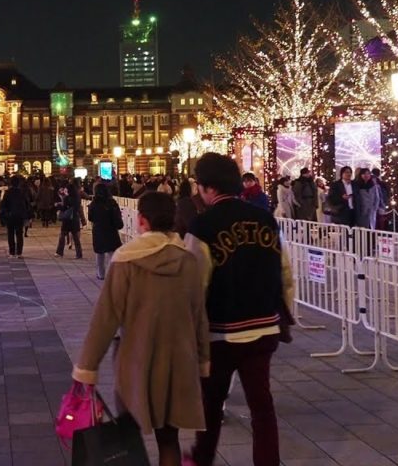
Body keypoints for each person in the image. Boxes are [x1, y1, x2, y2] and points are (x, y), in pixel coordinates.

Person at [73, 192, 208, 466]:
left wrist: (87, 367)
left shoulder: (127, 260)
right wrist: (204, 360)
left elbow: (106, 318)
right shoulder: (188, 260)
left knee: (128, 438)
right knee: (169, 439)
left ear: (141, 220)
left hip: (136, 362)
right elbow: (199, 317)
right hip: (178, 363)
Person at [184, 153, 294, 466]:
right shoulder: (265, 219)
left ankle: (202, 458)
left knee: (211, 403)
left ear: (206, 188)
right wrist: (287, 314)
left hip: (222, 332)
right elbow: (286, 271)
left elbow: (194, 285)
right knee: (262, 407)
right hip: (263, 326)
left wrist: (190, 332)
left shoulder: (203, 226)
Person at [87, 183, 124, 280]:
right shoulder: (111, 202)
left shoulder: (93, 203)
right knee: (112, 252)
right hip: (111, 229)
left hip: (98, 230)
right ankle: (113, 273)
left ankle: (101, 274)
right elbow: (117, 216)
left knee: (99, 253)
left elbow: (90, 217)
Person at [0, 175, 32, 257]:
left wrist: (5, 214)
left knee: (10, 234)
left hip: (10, 216)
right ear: (18, 183)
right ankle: (19, 252)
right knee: (19, 234)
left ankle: (12, 252)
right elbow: (27, 204)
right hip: (19, 216)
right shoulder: (21, 192)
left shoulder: (7, 192)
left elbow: (3, 205)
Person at [54, 180, 85, 258]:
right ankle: (79, 254)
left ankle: (59, 252)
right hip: (74, 219)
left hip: (67, 220)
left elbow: (64, 208)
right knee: (76, 238)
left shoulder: (67, 198)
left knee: (62, 236)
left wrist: (58, 205)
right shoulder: (77, 198)